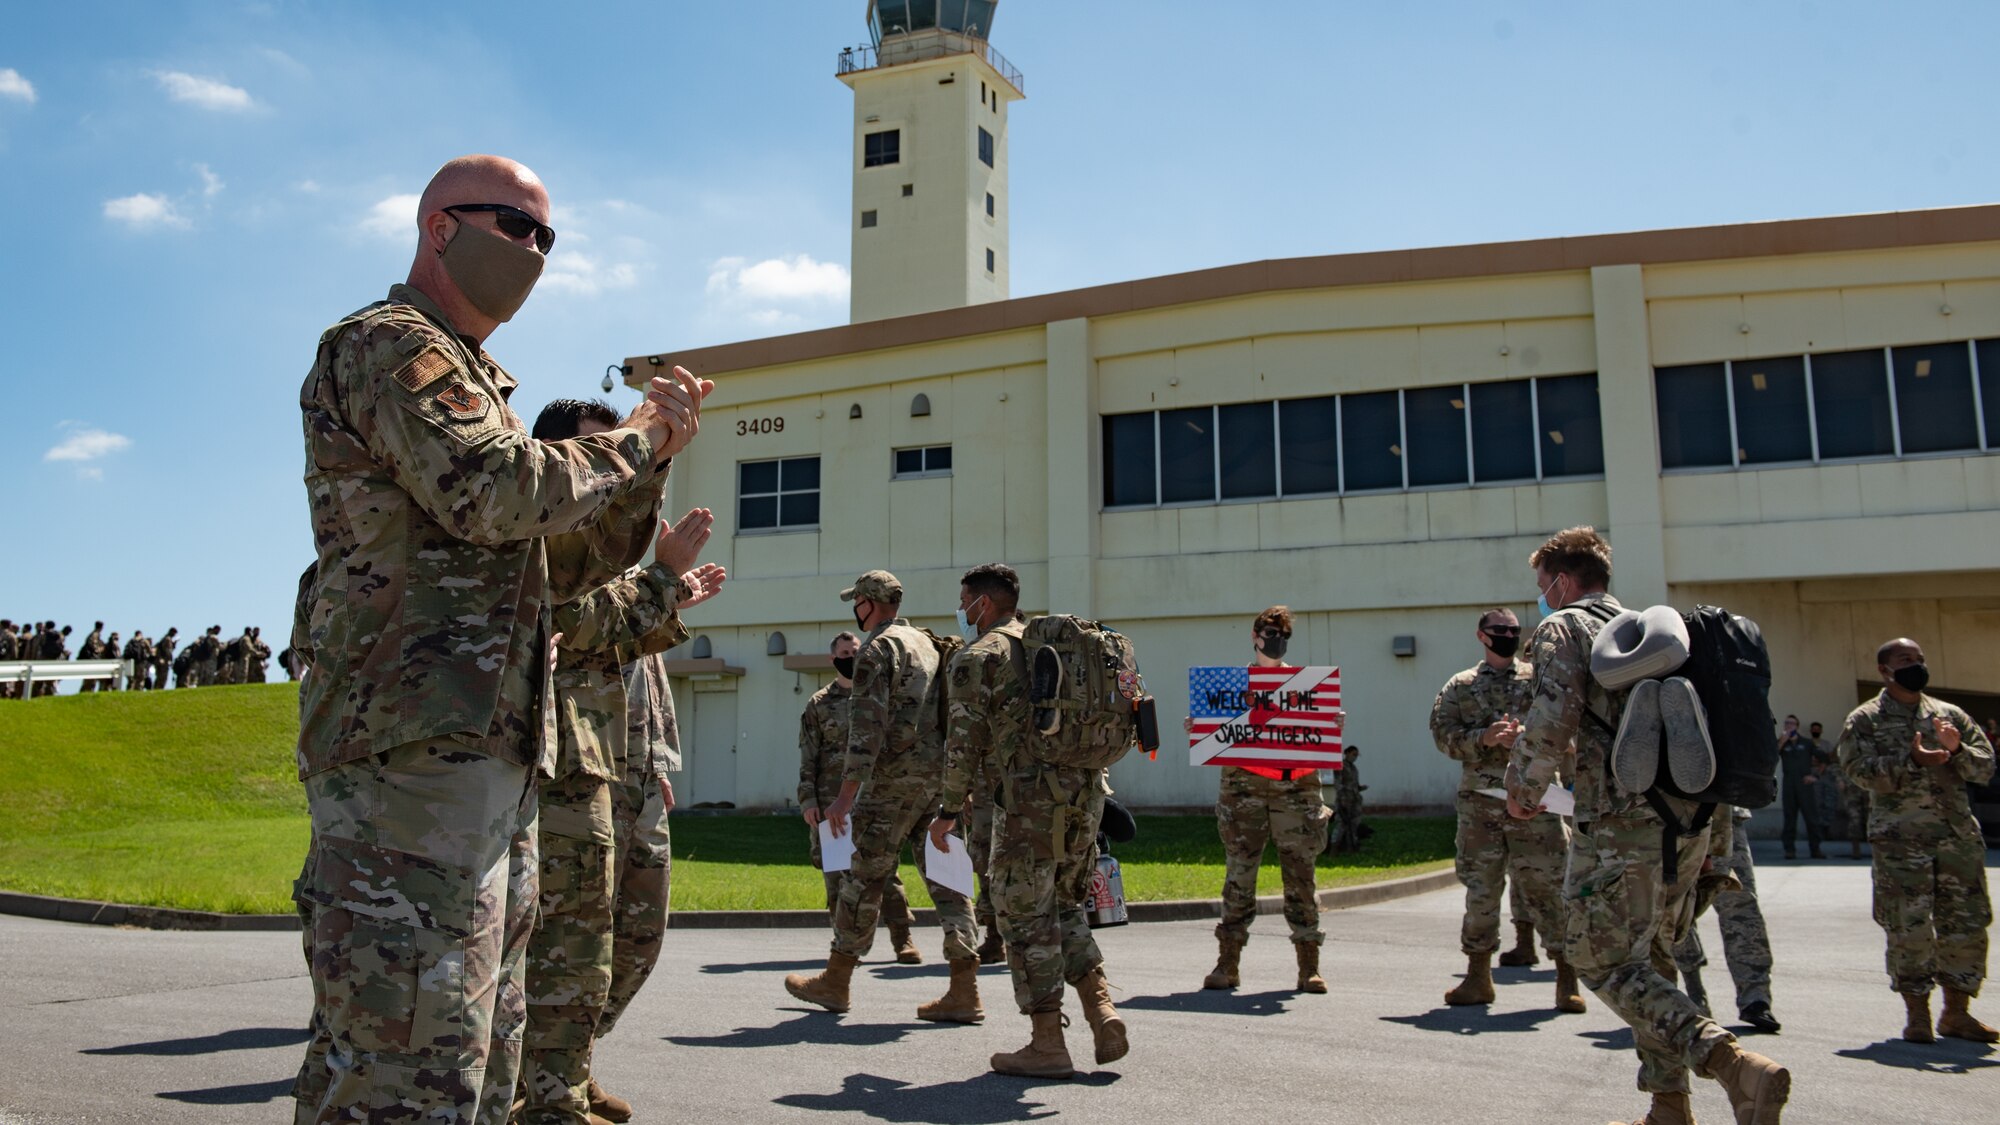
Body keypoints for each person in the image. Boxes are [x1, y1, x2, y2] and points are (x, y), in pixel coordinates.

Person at [289, 153, 706, 1124]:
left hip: (493, 754)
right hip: (408, 749)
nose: (530, 250)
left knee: (480, 1061)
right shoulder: (389, 344)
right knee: (402, 1070)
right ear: (438, 228)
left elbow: (560, 568)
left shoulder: (483, 384)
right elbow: (503, 491)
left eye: (544, 237)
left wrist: (651, 470)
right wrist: (637, 439)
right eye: (511, 226)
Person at [1508, 526, 1788, 1125]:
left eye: (1543, 585)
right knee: (1654, 960)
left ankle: (1734, 1065)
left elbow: (1552, 717)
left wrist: (1523, 790)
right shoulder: (1652, 628)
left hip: (1618, 826)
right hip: (1687, 824)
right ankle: (1668, 1107)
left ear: (1562, 580)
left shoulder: (1565, 627)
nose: (1541, 596)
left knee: (1601, 960)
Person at [929, 563, 1126, 1078]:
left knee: (1023, 921)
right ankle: (1102, 1012)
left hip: (1029, 806)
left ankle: (1047, 1044)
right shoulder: (1053, 650)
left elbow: (962, 746)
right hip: (1086, 798)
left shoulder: (980, 657)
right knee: (1065, 910)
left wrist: (948, 812)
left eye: (964, 601)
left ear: (983, 605)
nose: (962, 611)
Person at [784, 570, 981, 1023]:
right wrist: (959, 784)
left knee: (862, 877)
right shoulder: (929, 643)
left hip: (890, 783)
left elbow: (867, 727)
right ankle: (964, 987)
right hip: (936, 781)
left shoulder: (879, 647)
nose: (855, 610)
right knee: (949, 880)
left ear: (869, 603)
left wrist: (844, 797)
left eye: (856, 602)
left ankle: (836, 980)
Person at [1837, 637, 1997, 1045]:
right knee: (1908, 928)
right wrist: (1911, 761)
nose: (1916, 665)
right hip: (1900, 844)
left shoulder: (1949, 715)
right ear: (1885, 670)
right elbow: (1858, 771)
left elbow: (1985, 768)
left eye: (1920, 659)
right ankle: (1917, 1016)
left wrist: (1956, 750)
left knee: (1965, 924)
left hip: (1956, 838)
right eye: (1905, 659)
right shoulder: (1866, 719)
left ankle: (1956, 1014)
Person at [1428, 607, 1581, 1013]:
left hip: (1537, 801)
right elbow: (1443, 736)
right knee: (1481, 891)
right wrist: (1484, 737)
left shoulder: (1539, 680)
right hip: (1482, 806)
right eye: (1500, 630)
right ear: (1482, 635)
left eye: (1514, 630)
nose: (1508, 636)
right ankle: (1478, 977)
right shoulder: (1461, 686)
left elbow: (1566, 727)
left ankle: (1567, 981)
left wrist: (1530, 740)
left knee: (1550, 892)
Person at [1199, 606, 1337, 994]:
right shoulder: (1228, 687)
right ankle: (1228, 964)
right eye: (1269, 632)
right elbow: (1215, 737)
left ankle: (1309, 966)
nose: (1275, 640)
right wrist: (1204, 729)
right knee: (1239, 877)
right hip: (1243, 793)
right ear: (1254, 635)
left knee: (1301, 878)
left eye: (1282, 634)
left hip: (1296, 792)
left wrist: (1331, 723)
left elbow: (1317, 735)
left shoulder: (1308, 686)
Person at [798, 631, 921, 960]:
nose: (851, 657)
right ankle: (842, 945)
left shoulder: (877, 697)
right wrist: (808, 800)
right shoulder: (819, 704)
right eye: (844, 652)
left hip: (873, 799)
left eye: (856, 652)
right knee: (836, 875)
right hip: (831, 803)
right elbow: (808, 756)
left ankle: (902, 938)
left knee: (886, 871)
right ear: (833, 658)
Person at [1672, 805, 1782, 1034]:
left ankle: (1756, 998)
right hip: (1669, 814)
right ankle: (1694, 995)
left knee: (1742, 908)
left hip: (1724, 813)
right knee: (1678, 909)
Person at [1777, 715, 1824, 859]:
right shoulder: (1782, 743)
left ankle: (1815, 849)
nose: (1789, 725)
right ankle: (1789, 849)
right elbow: (1772, 755)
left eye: (1792, 723)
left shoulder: (1807, 743)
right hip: (1789, 784)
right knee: (1789, 818)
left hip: (1804, 784)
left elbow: (1824, 760)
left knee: (1811, 818)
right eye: (1786, 723)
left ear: (1797, 726)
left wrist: (1815, 776)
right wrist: (1783, 741)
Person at [1329, 744, 1368, 854]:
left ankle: (1352, 847)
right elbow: (1338, 784)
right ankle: (1334, 848)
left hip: (1354, 800)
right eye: (1353, 754)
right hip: (1344, 800)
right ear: (1347, 753)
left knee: (1354, 824)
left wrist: (1360, 788)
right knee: (1341, 824)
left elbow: (1353, 784)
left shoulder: (1353, 768)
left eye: (1356, 755)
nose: (1354, 757)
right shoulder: (1340, 766)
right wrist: (1342, 800)